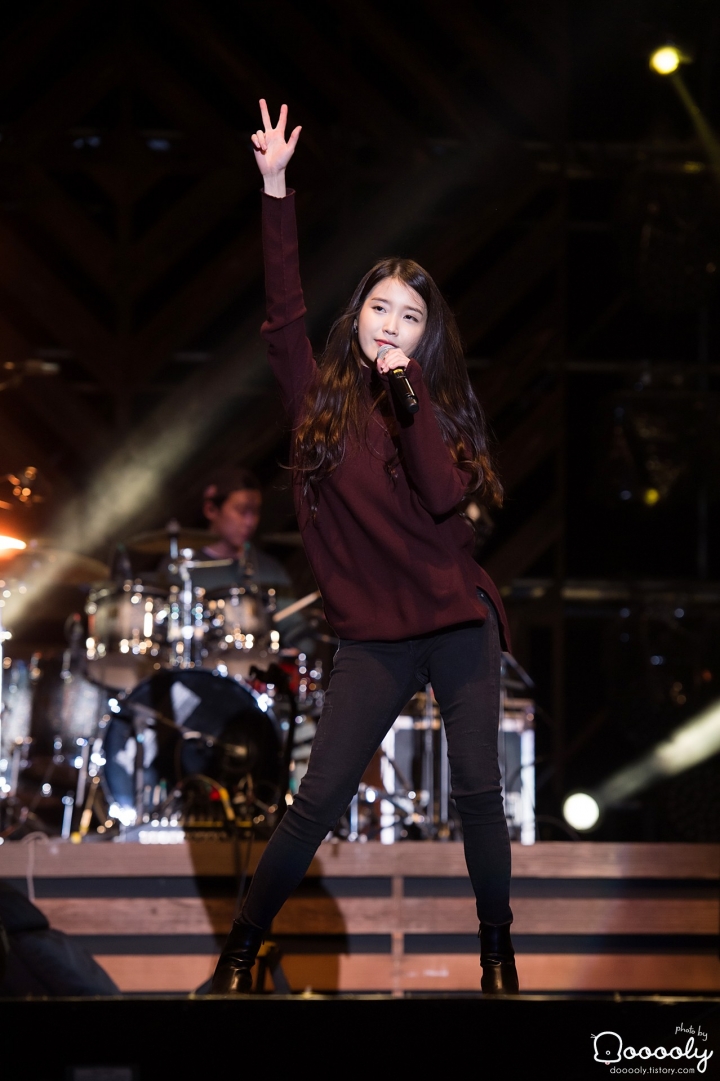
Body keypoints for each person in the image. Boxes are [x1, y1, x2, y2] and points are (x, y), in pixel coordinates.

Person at [212, 101, 518, 995]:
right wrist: (275, 189)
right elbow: (282, 314)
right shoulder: (317, 403)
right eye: (379, 308)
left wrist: (410, 394)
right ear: (357, 319)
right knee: (316, 799)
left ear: (426, 336)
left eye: (409, 316)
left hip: (456, 618)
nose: (390, 322)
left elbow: (444, 497)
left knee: (477, 792)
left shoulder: (437, 412)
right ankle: (236, 958)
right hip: (373, 634)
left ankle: (498, 959)